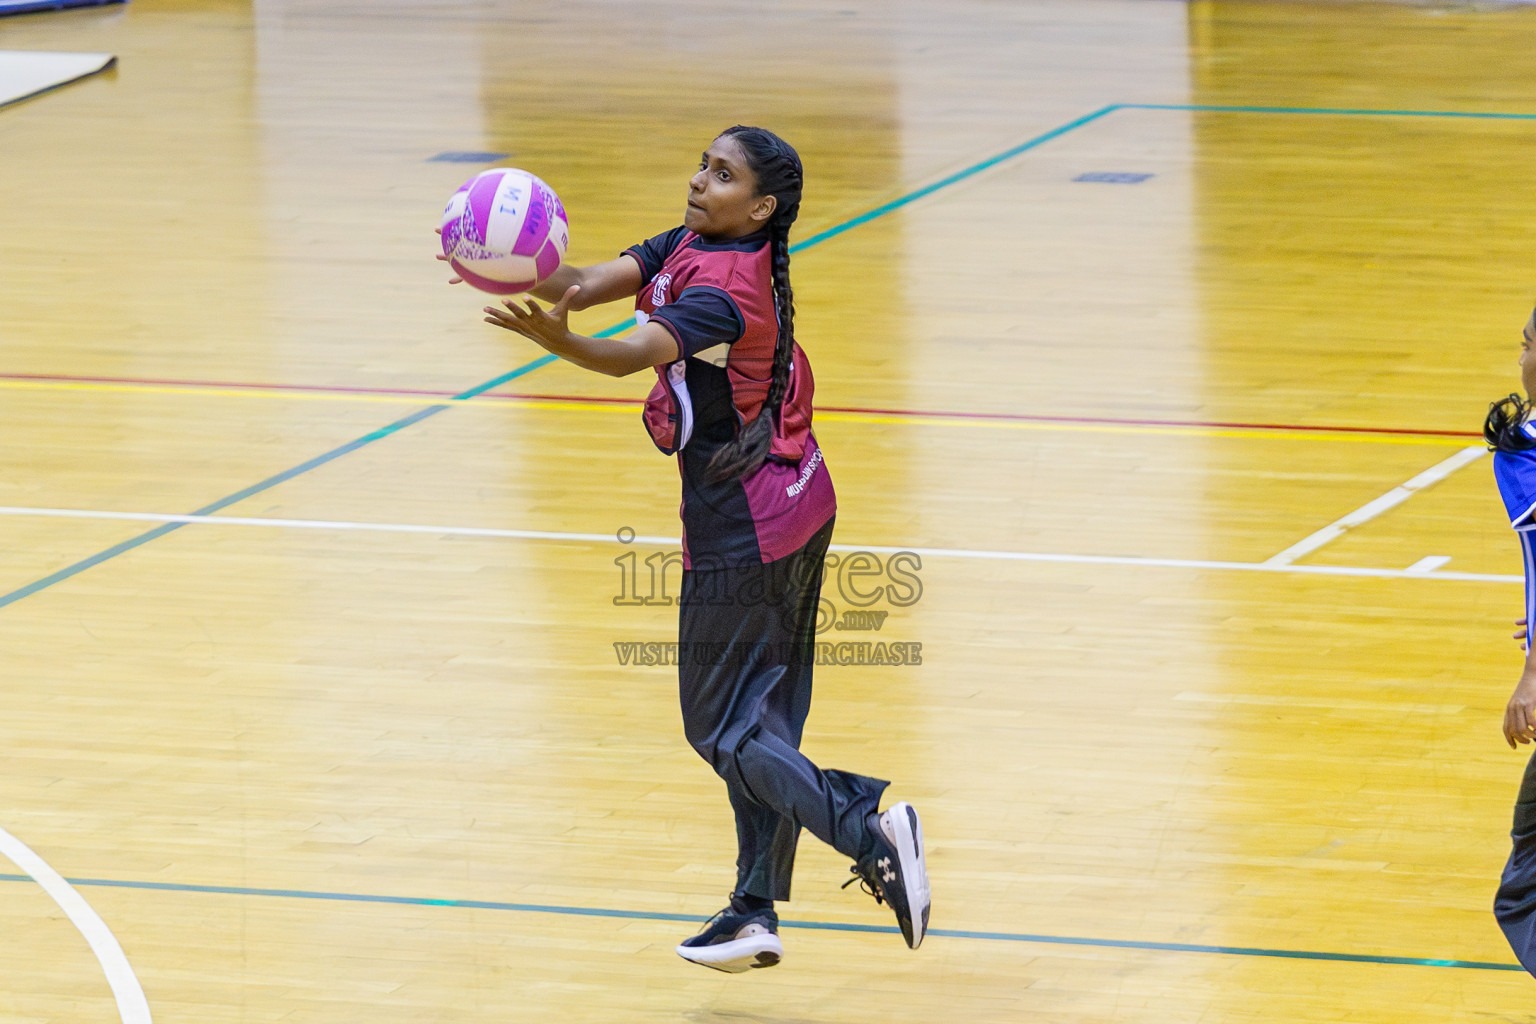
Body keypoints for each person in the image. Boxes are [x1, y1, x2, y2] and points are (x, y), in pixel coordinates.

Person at [447, 126, 931, 972]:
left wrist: (561, 344)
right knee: (763, 724)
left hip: (747, 531)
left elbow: (628, 353)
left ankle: (868, 829)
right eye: (705, 165)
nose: (701, 181)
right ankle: (752, 910)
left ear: (762, 206)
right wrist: (500, 257)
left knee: (720, 729)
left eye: (724, 174)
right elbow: (581, 281)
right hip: (798, 502)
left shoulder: (726, 293)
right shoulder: (694, 243)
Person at [1486, 305, 1536, 974]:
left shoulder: (1524, 449)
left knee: (1523, 891)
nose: (1521, 359)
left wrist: (1532, 675)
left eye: (1527, 344)